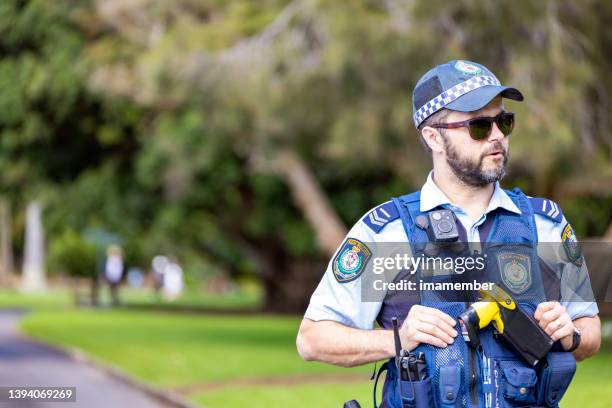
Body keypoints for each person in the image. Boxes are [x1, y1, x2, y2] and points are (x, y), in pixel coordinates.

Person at [296, 60, 601, 408]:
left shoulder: (545, 224)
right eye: (479, 126)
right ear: (434, 137)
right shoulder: (387, 230)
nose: (498, 135)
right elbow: (312, 339)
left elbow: (589, 331)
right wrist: (397, 340)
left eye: (504, 121)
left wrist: (571, 335)